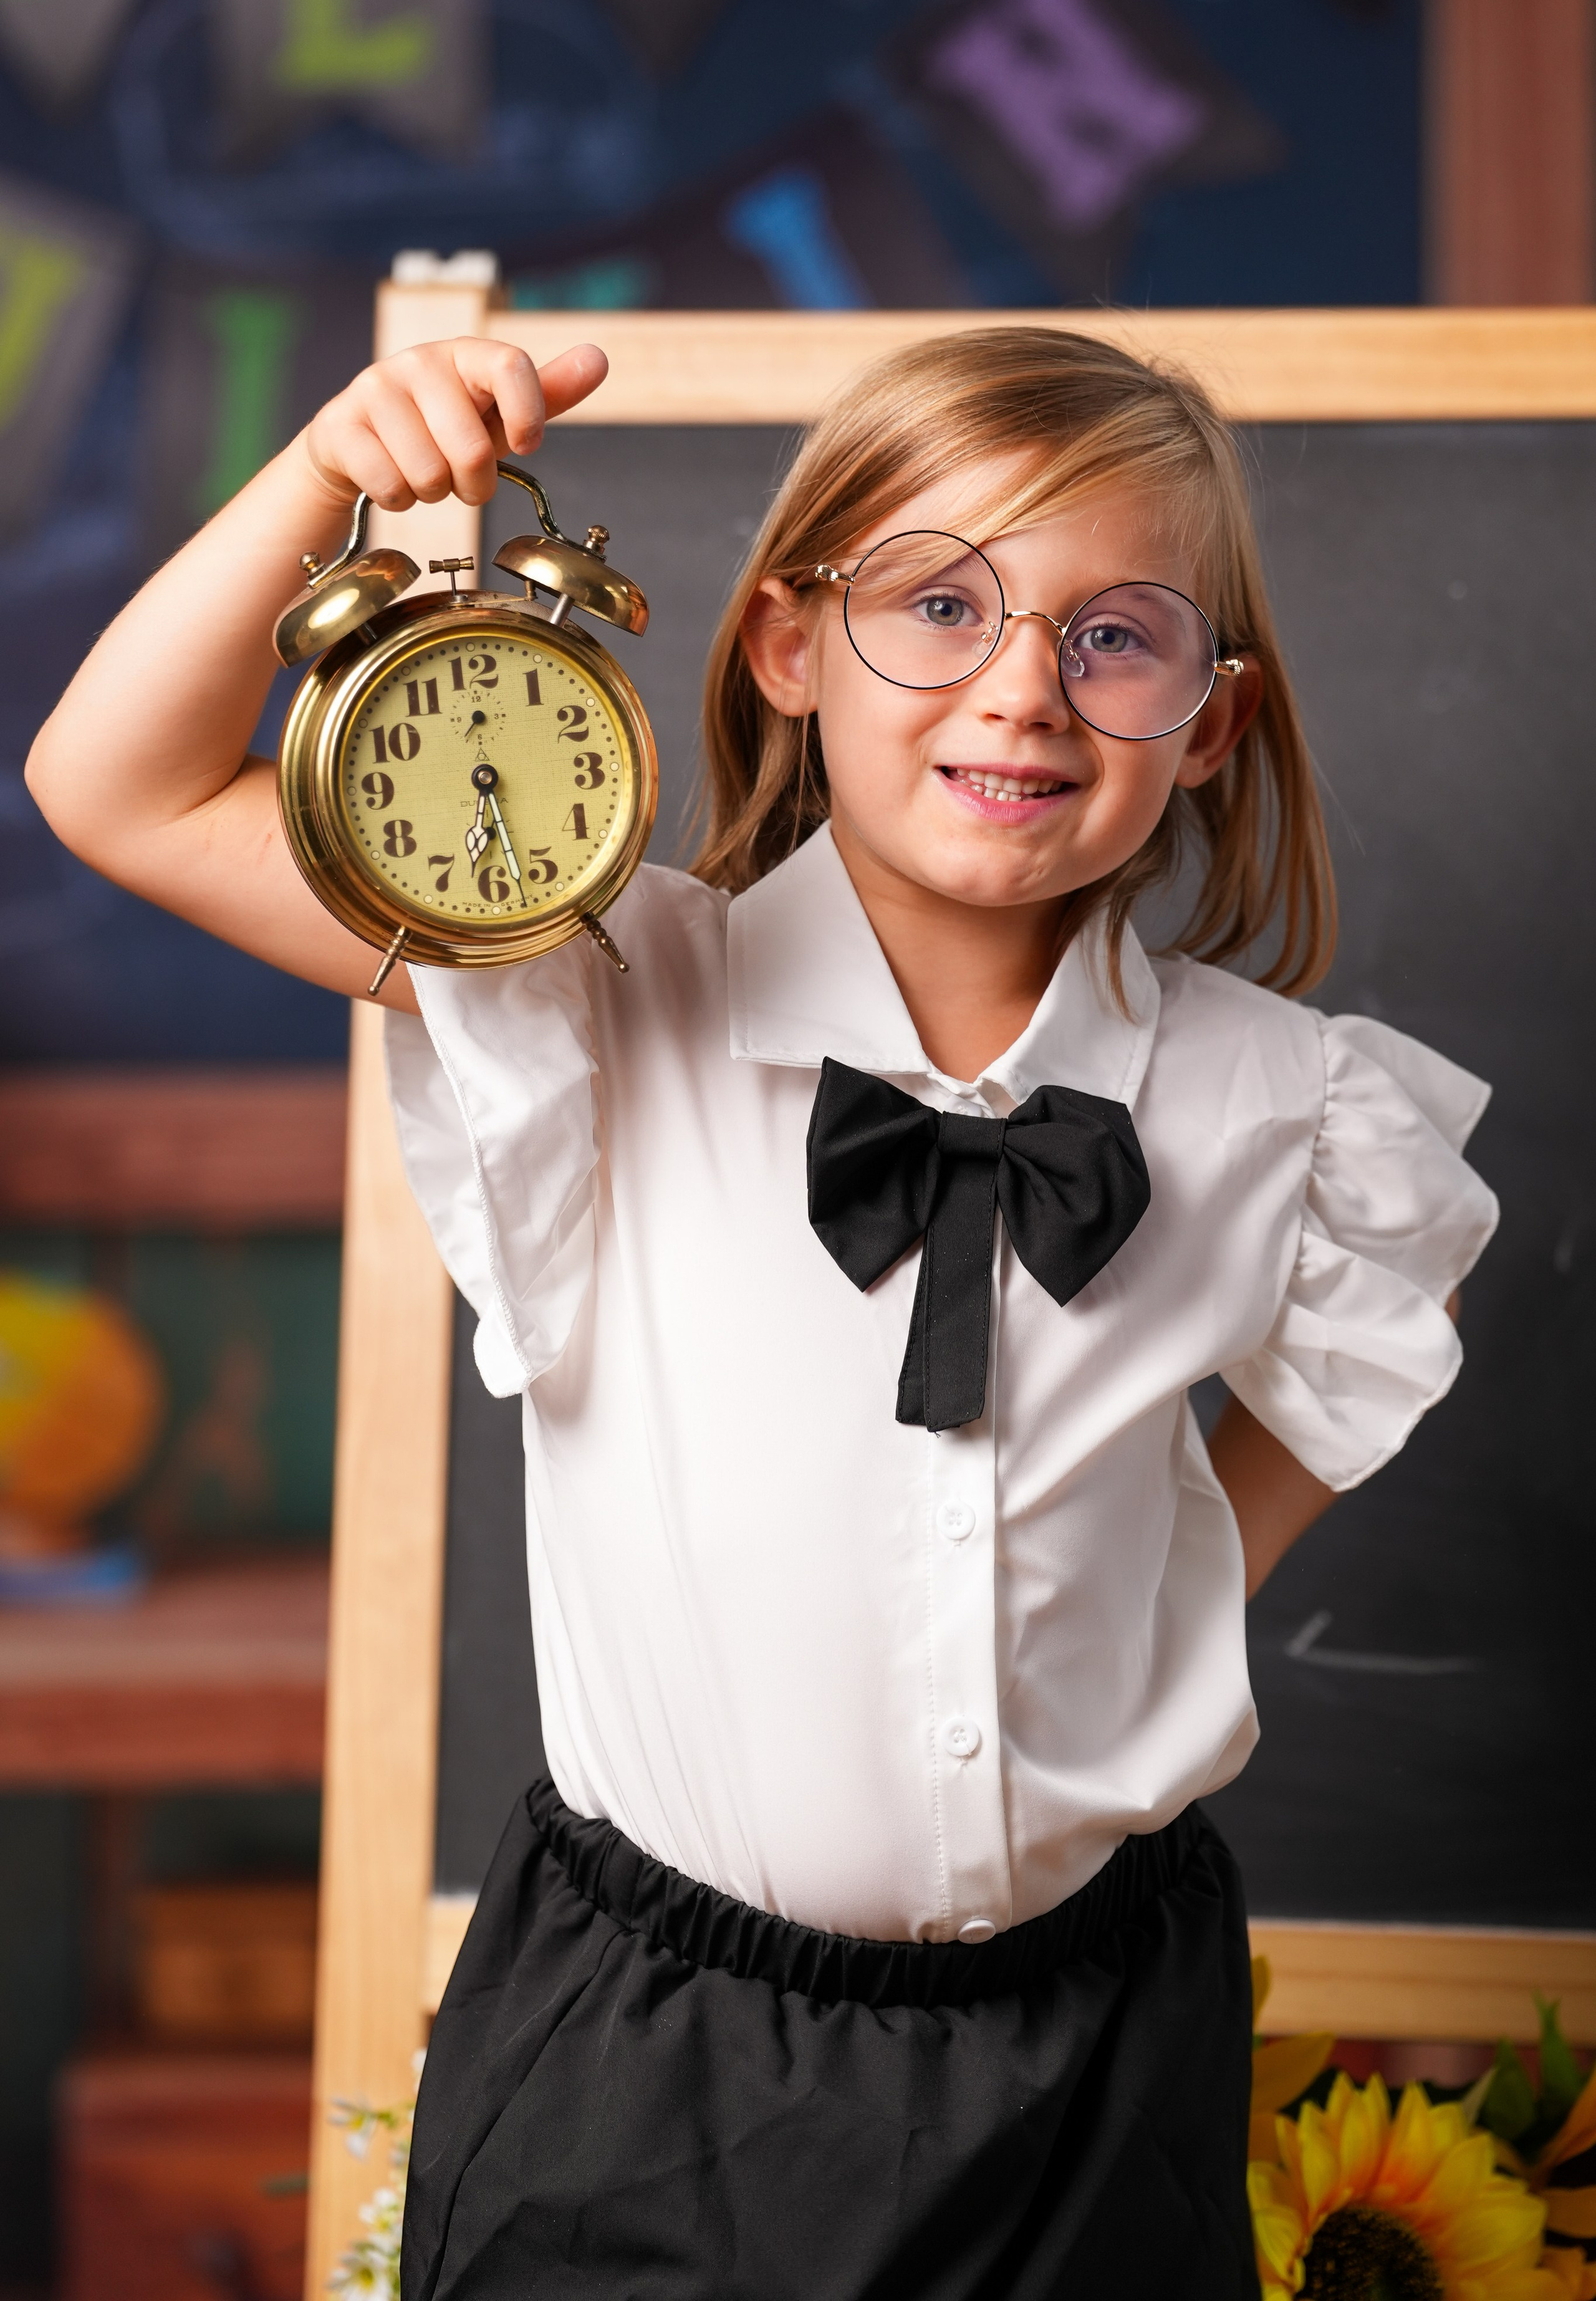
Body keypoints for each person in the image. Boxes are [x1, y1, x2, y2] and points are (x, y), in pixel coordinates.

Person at [28, 326, 1498, 2299]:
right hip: (651, 2059)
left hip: (1098, 2055)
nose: (1019, 690)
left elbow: (1340, 1377)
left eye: (1114, 637)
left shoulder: (1290, 1108)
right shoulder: (585, 988)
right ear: (791, 646)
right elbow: (108, 788)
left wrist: (1161, 1608)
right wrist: (322, 477)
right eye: (940, 603)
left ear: (1209, 726)